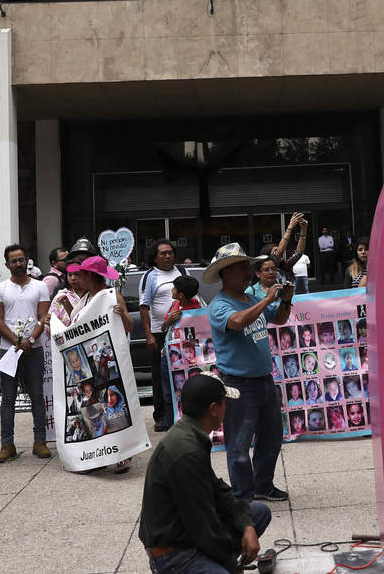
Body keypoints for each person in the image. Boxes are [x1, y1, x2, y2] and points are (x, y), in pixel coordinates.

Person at [140, 374, 272, 574]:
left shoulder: (191, 435)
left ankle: (218, 560)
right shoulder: (186, 452)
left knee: (258, 514)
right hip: (173, 555)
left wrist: (247, 526)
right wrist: (231, 565)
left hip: (188, 534)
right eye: (224, 403)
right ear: (213, 409)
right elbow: (202, 526)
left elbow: (219, 492)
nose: (227, 408)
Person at [206, 243, 294, 502]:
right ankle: (243, 496)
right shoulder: (220, 305)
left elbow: (278, 319)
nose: (249, 271)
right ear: (226, 273)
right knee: (239, 444)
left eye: (248, 266)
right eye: (243, 267)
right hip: (238, 384)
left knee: (271, 438)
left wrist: (285, 299)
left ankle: (262, 486)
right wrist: (268, 299)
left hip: (264, 380)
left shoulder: (251, 298)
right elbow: (237, 322)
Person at [65, 254, 136, 472]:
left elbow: (128, 326)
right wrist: (67, 309)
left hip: (108, 362)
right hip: (88, 365)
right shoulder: (84, 297)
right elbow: (78, 325)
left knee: (115, 407)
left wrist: (121, 315)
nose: (76, 278)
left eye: (81, 274)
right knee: (94, 408)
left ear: (91, 275)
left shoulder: (111, 294)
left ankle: (123, 454)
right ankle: (98, 453)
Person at [0, 243, 51, 463]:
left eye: (21, 259)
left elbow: (43, 317)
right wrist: (16, 340)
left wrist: (31, 340)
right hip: (9, 350)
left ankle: (40, 441)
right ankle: (7, 444)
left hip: (34, 349)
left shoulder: (40, 286)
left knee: (37, 395)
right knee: (7, 398)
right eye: (14, 260)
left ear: (27, 261)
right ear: (7, 265)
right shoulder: (0, 289)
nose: (18, 263)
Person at [140, 240, 184, 432]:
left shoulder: (182, 271)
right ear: (155, 257)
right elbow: (144, 307)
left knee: (181, 373)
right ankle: (161, 416)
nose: (168, 256)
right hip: (159, 332)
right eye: (163, 253)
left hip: (181, 330)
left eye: (170, 253)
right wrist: (149, 335)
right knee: (159, 376)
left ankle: (182, 413)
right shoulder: (150, 276)